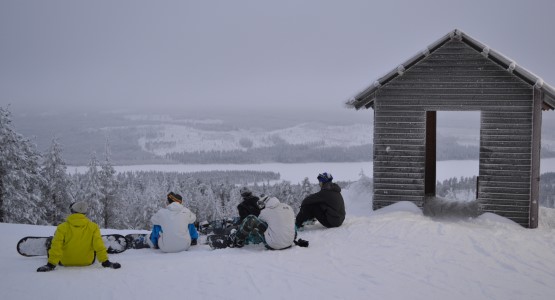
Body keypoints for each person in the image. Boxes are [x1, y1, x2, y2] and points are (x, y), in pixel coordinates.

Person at [36, 201, 121, 272]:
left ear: (72, 211)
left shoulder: (62, 227)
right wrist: (105, 262)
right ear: (85, 213)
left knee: (54, 241)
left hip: (64, 262)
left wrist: (50, 264)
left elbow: (56, 246)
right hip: (87, 262)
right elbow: (98, 245)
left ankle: (48, 246)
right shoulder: (94, 227)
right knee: (95, 241)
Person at [230, 195, 296, 250]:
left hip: (274, 245)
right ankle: (287, 239)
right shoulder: (287, 207)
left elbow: (258, 223)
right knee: (288, 222)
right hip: (290, 242)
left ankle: (237, 240)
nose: (261, 207)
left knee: (251, 219)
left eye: (261, 205)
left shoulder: (266, 211)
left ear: (265, 203)